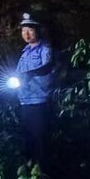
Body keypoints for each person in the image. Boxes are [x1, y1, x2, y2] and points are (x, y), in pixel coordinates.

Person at [14, 12, 54, 168]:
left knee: (40, 141)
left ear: (37, 31)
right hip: (25, 101)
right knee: (28, 140)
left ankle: (44, 175)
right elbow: (18, 73)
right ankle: (31, 175)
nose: (26, 34)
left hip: (39, 101)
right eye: (23, 31)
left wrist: (31, 73)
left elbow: (48, 66)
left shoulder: (45, 48)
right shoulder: (24, 53)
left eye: (30, 30)